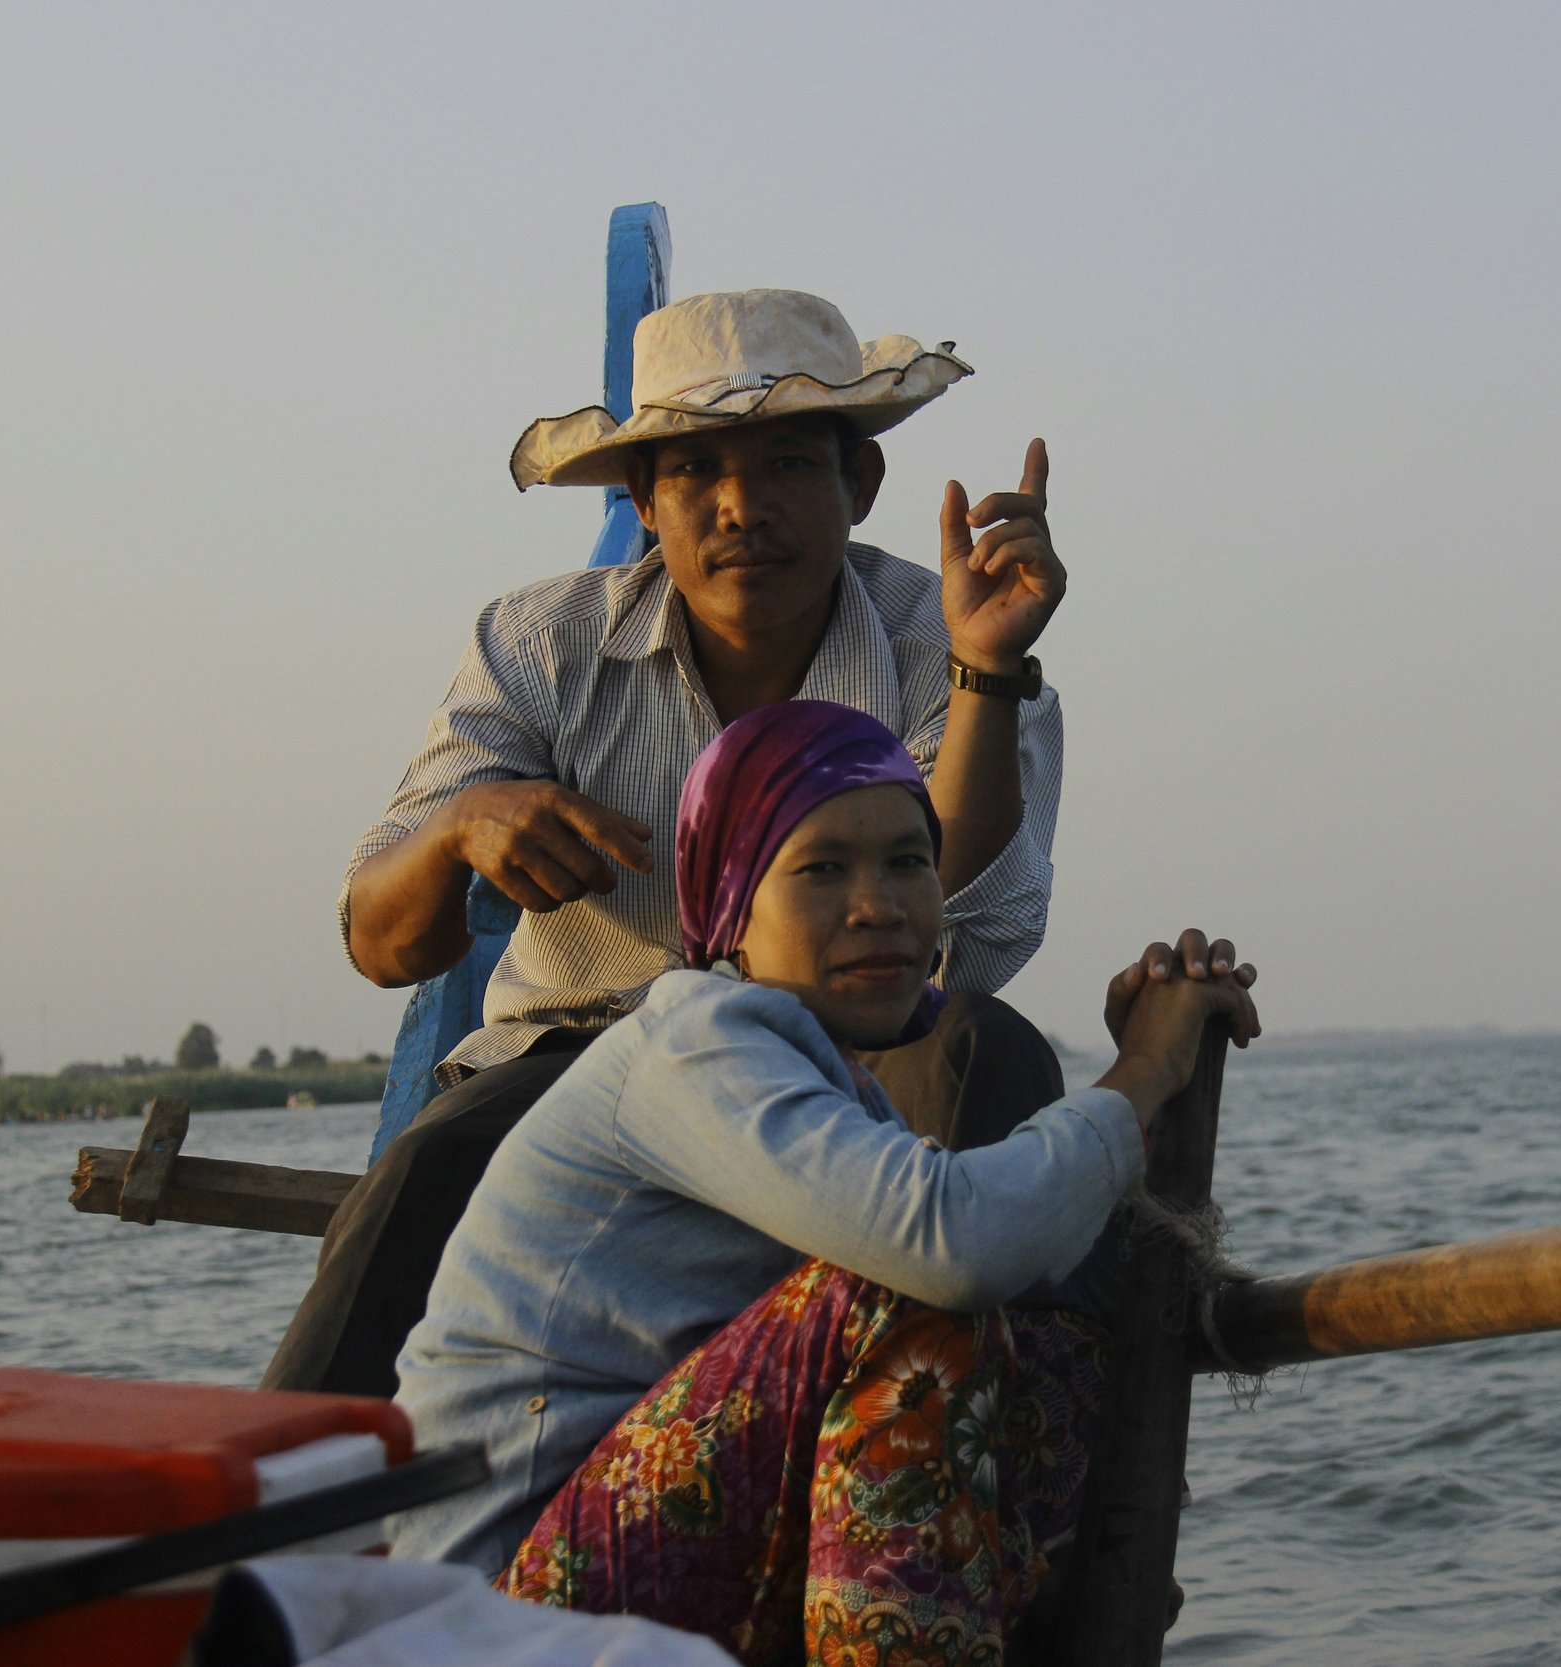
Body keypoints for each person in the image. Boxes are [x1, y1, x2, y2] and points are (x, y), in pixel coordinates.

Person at [268, 289, 1080, 1396]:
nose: (741, 507)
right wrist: (461, 828)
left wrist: (987, 667)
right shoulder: (538, 642)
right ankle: (295, 1536)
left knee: (986, 1055)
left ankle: (969, 1493)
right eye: (696, 473)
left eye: (790, 464)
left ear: (861, 486)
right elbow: (380, 940)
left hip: (852, 1051)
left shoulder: (949, 632)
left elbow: (952, 908)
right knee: (422, 1173)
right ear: (645, 501)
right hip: (585, 1059)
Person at [391, 701, 1260, 1665]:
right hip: (497, 1606)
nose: (878, 904)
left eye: (906, 861)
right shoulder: (697, 1041)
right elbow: (953, 1245)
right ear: (731, 908)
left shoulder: (830, 1087)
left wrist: (1151, 1086)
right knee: (914, 1288)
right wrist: (1141, 1073)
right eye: (821, 869)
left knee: (1054, 1349)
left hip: (628, 1579)